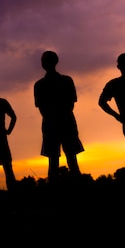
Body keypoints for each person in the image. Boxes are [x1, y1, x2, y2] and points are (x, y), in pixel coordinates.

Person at [34, 50, 84, 181]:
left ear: (54, 62)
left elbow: (69, 104)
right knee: (55, 162)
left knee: (70, 160)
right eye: (43, 60)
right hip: (57, 124)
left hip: (62, 124)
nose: (44, 63)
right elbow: (43, 108)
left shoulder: (63, 81)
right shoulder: (40, 85)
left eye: (46, 60)